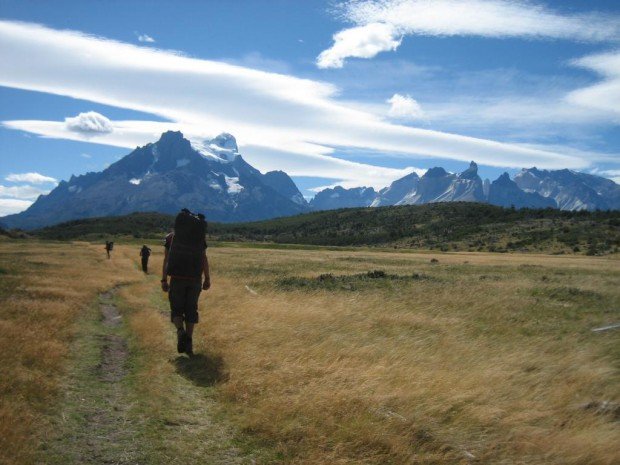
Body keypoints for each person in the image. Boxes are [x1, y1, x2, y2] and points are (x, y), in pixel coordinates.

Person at [161, 231, 210, 356]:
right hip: (195, 280)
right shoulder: (198, 236)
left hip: (177, 279)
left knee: (176, 309)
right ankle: (189, 343)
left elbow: (166, 260)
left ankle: (180, 331)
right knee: (191, 309)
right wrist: (207, 278)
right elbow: (204, 258)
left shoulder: (171, 238)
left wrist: (164, 279)